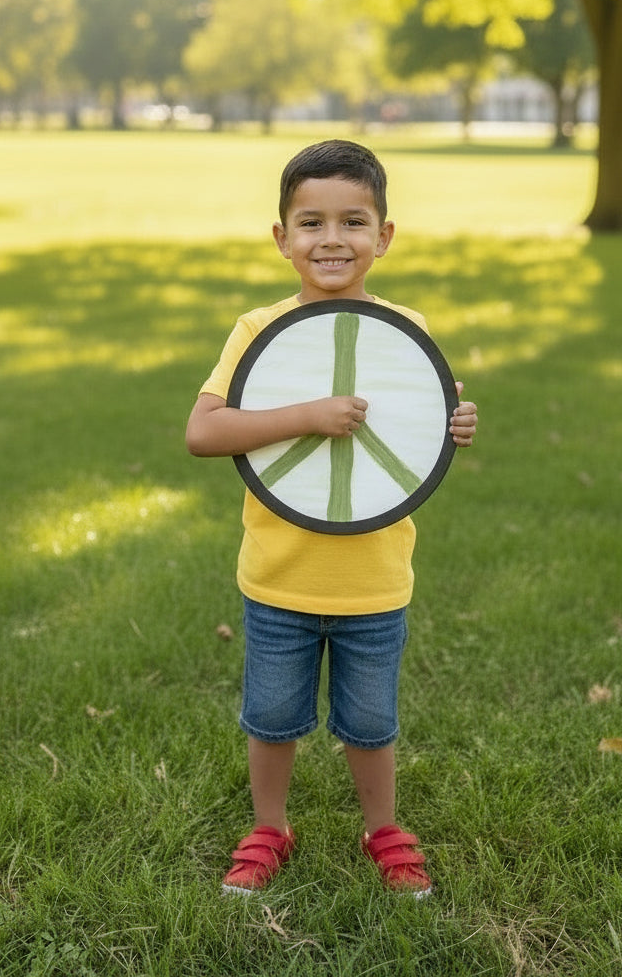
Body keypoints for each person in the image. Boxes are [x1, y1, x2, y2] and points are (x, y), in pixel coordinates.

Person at [185, 139, 478, 897]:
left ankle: (384, 829)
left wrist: (455, 424)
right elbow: (204, 432)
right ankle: (269, 827)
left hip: (374, 580)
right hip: (280, 578)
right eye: (311, 222)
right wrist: (307, 415)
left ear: (383, 236)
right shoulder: (258, 330)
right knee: (273, 717)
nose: (332, 239)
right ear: (282, 239)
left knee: (371, 723)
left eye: (353, 221)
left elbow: (417, 426)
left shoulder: (405, 329)